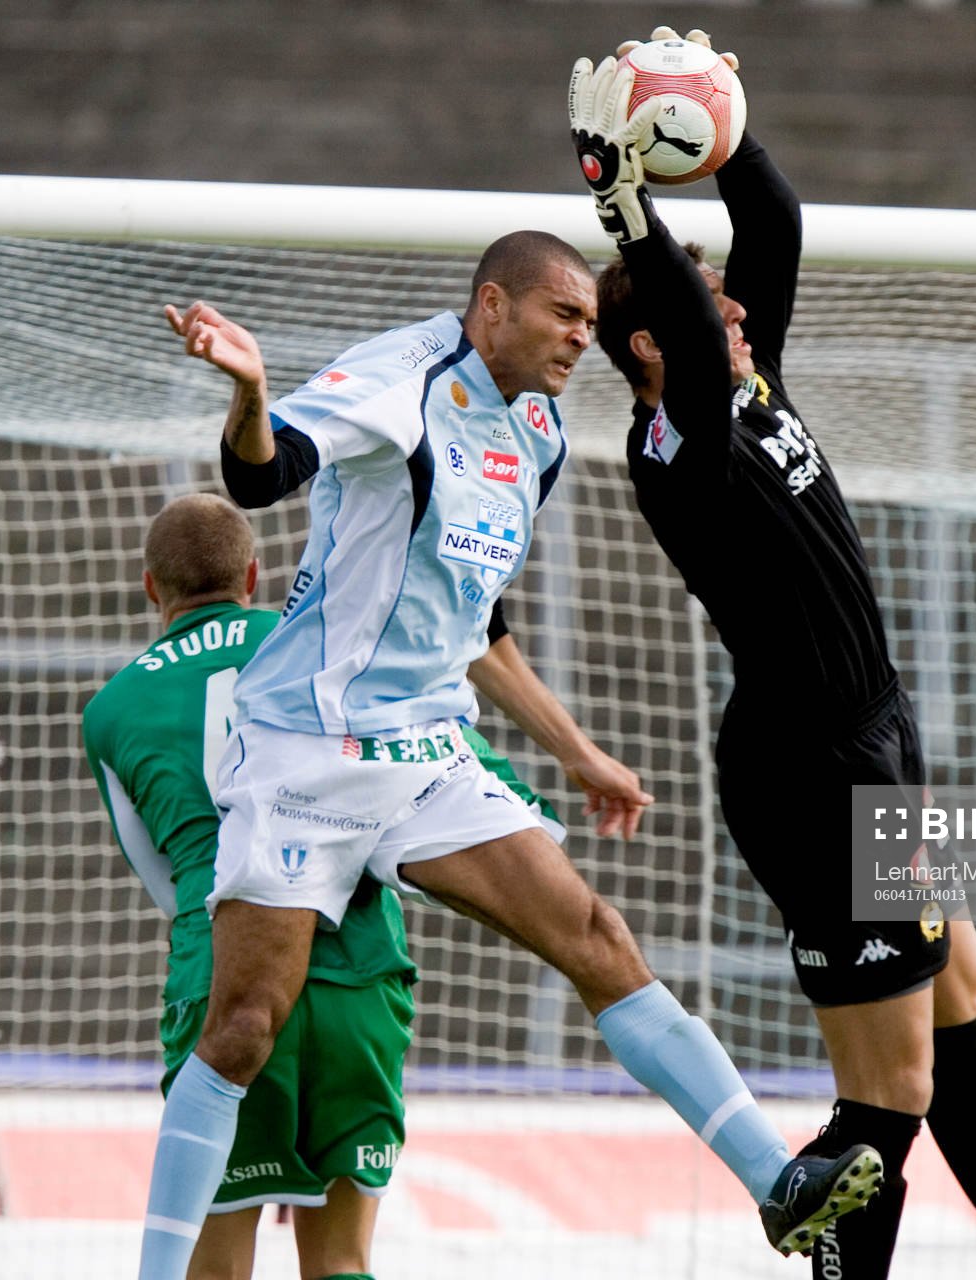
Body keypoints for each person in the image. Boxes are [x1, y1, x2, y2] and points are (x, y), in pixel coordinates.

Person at [135, 230, 882, 1280]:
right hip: (306, 750)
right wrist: (250, 391)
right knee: (245, 1027)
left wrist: (579, 752)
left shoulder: (535, 433)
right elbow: (263, 477)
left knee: (596, 936)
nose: (583, 339)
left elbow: (474, 624)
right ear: (494, 306)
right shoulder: (399, 380)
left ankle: (774, 1180)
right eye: (564, 317)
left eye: (589, 321)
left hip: (428, 750)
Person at [572, 32, 976, 1280]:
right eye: (712, 308)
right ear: (649, 350)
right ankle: (828, 1252)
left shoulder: (750, 387)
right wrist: (621, 203)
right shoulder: (680, 439)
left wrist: (731, 137)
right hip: (809, 769)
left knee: (961, 986)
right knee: (890, 1087)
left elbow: (779, 228)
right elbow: (697, 330)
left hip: (871, 732)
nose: (740, 312)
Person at [84, 493, 418, 1280]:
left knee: (216, 1269)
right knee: (342, 1258)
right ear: (256, 575)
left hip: (222, 985)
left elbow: (166, 884)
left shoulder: (111, 709)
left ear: (149, 588)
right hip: (354, 968)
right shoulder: (321, 647)